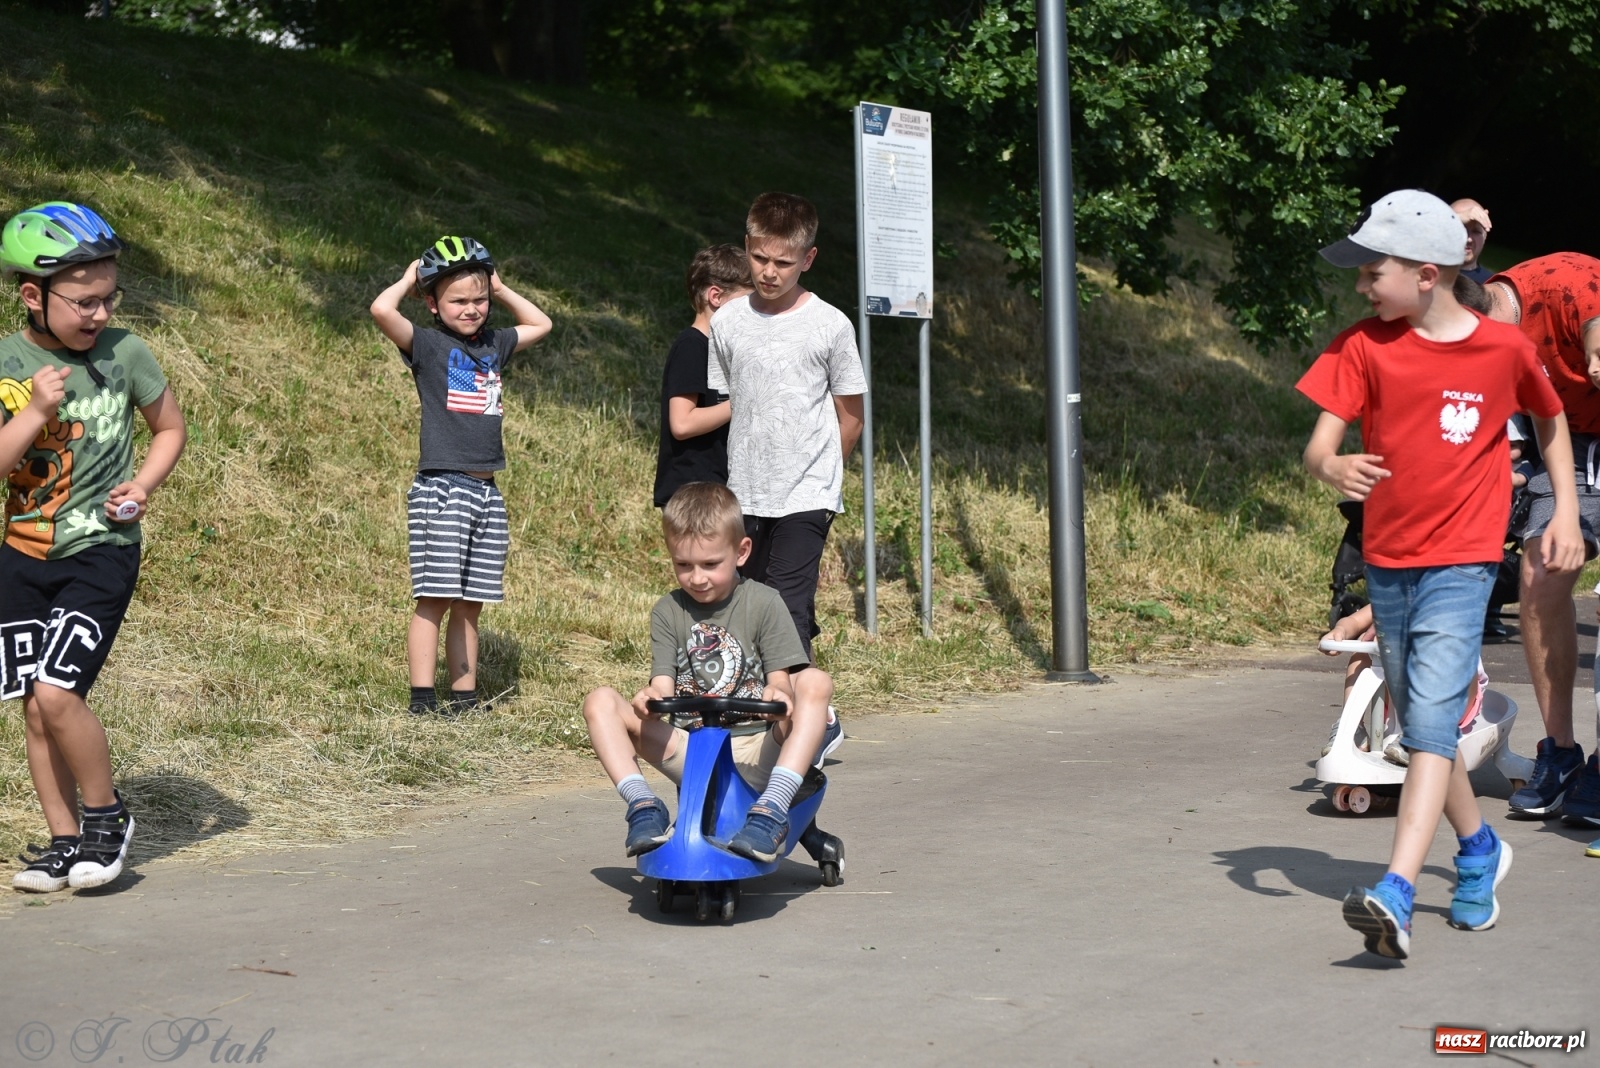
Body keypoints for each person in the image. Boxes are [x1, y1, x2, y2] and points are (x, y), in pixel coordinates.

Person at [1298, 189, 1584, 959]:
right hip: (1390, 561)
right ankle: (1480, 849)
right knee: (1424, 727)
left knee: (1428, 722)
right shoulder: (1363, 346)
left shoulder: (1502, 349)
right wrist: (1332, 465)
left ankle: (1395, 889)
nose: (1362, 285)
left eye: (1374, 271)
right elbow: (1318, 445)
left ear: (1427, 274)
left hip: (1465, 560)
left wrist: (1563, 511)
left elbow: (1551, 417)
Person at [0, 203, 187, 892]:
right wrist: (33, 413)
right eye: (85, 302)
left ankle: (107, 818)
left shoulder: (126, 353)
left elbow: (170, 429)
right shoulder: (7, 364)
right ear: (33, 296)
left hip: (102, 550)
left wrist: (143, 484)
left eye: (110, 298)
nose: (101, 314)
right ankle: (63, 839)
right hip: (21, 556)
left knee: (57, 691)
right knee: (32, 702)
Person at [581, 481, 831, 862]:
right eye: (683, 565)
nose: (697, 578)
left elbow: (780, 679)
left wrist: (778, 692)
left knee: (815, 681)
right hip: (694, 751)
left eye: (710, 564)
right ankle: (643, 805)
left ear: (741, 551)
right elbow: (662, 685)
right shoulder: (668, 611)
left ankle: (773, 807)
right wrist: (650, 699)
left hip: (758, 749)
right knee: (599, 701)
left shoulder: (764, 603)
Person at [708, 193, 864, 755]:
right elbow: (732, 400)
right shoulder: (728, 321)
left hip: (807, 493)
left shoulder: (830, 325)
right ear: (746, 249)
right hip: (747, 490)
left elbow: (851, 415)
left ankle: (801, 733)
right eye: (759, 258)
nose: (769, 272)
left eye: (783, 262)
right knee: (750, 606)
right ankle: (812, 713)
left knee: (788, 607)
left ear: (808, 259)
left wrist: (822, 477)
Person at [370, 237, 552, 715]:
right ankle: (422, 698)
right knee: (436, 597)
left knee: (471, 602)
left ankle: (464, 698)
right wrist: (409, 280)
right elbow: (381, 310)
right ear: (433, 303)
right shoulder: (428, 345)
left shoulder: (494, 345)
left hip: (487, 492)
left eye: (480, 299)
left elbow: (542, 324)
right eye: (457, 301)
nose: (471, 309)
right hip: (443, 488)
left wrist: (502, 289)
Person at [1480, 254, 1600, 836]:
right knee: (1539, 572)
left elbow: (1596, 328)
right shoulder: (1476, 340)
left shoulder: (1566, 283)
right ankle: (1561, 751)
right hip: (1569, 446)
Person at [651, 245, 751, 508]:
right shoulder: (692, 346)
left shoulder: (721, 351)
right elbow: (682, 423)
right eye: (747, 302)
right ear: (715, 296)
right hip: (693, 495)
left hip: (717, 490)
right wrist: (741, 401)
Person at [1450, 198, 1493, 284]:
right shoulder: (1427, 272)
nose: (1468, 239)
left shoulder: (1491, 283)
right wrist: (1455, 218)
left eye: (1476, 232)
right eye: (1461, 229)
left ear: (1485, 236)